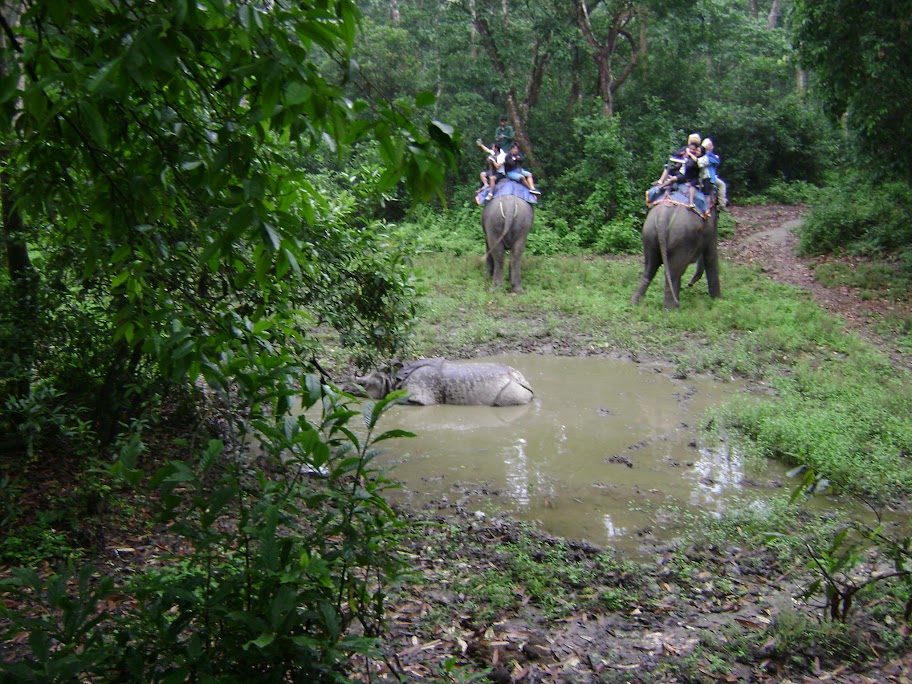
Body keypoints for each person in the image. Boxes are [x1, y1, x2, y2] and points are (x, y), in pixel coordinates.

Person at [658, 140, 702, 205]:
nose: (691, 150)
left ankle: (661, 186)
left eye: (693, 149)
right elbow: (676, 158)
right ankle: (661, 182)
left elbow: (692, 165)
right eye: (690, 149)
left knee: (673, 179)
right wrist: (681, 157)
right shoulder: (685, 153)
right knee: (668, 169)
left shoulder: (695, 157)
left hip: (686, 176)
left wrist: (689, 155)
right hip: (680, 172)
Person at [698, 137, 728, 209]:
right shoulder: (709, 155)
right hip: (709, 177)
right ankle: (722, 204)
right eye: (711, 145)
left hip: (702, 176)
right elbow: (717, 161)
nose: (712, 147)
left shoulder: (700, 153)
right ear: (707, 146)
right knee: (722, 185)